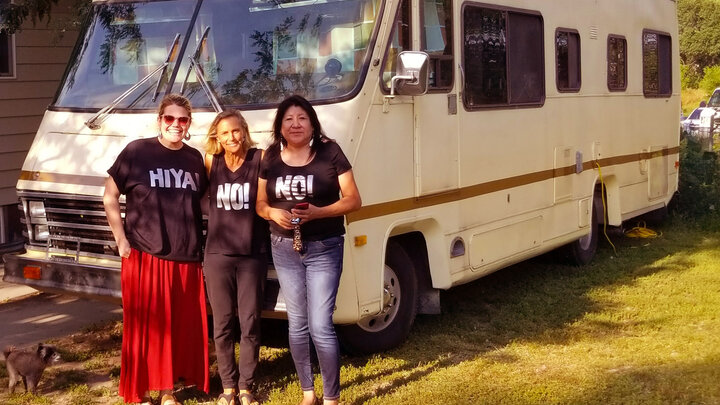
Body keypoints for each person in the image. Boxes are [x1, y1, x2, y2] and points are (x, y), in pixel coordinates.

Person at [103, 94, 209, 405]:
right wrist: (121, 240)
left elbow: (201, 203)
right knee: (146, 327)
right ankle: (142, 391)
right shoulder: (137, 151)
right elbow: (110, 197)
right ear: (159, 120)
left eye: (183, 120)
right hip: (144, 254)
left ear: (188, 124)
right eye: (170, 119)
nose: (176, 125)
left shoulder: (194, 159)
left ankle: (167, 392)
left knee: (176, 330)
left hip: (186, 256)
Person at [256, 95, 361, 405]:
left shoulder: (330, 152)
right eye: (288, 119)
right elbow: (261, 203)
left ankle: (331, 398)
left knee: (320, 323)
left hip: (325, 246)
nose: (295, 124)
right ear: (280, 126)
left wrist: (318, 212)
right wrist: (272, 213)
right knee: (297, 322)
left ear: (313, 123)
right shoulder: (271, 156)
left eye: (302, 118)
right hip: (284, 246)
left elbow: (353, 200)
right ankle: (308, 393)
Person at [203, 110, 268, 405]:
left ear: (244, 130)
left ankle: (246, 386)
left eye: (235, 131)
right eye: (224, 133)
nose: (231, 138)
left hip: (252, 253)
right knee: (223, 323)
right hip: (217, 255)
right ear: (217, 136)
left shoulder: (260, 158)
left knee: (250, 321)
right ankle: (228, 386)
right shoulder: (210, 162)